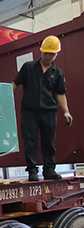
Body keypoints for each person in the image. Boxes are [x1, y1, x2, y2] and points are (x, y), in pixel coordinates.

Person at [12, 35, 73, 182]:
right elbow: (15, 84)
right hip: (30, 112)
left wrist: (66, 111)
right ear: (41, 51)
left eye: (52, 53)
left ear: (56, 54)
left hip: (49, 112)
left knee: (49, 142)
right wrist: (3, 97)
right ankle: (32, 171)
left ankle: (49, 170)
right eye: (46, 53)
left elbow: (60, 93)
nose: (48, 56)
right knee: (30, 142)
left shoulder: (58, 73)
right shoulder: (28, 68)